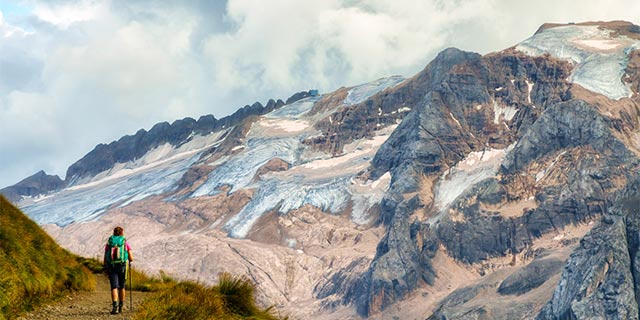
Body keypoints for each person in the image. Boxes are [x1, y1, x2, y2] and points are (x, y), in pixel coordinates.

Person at [103, 226, 134, 315]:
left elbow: (105, 257)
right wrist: (129, 259)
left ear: (114, 233)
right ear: (122, 233)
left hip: (112, 266)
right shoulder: (125, 243)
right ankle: (121, 306)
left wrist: (105, 266)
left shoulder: (109, 244)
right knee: (122, 287)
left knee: (114, 287)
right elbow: (131, 258)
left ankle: (115, 307)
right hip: (122, 267)